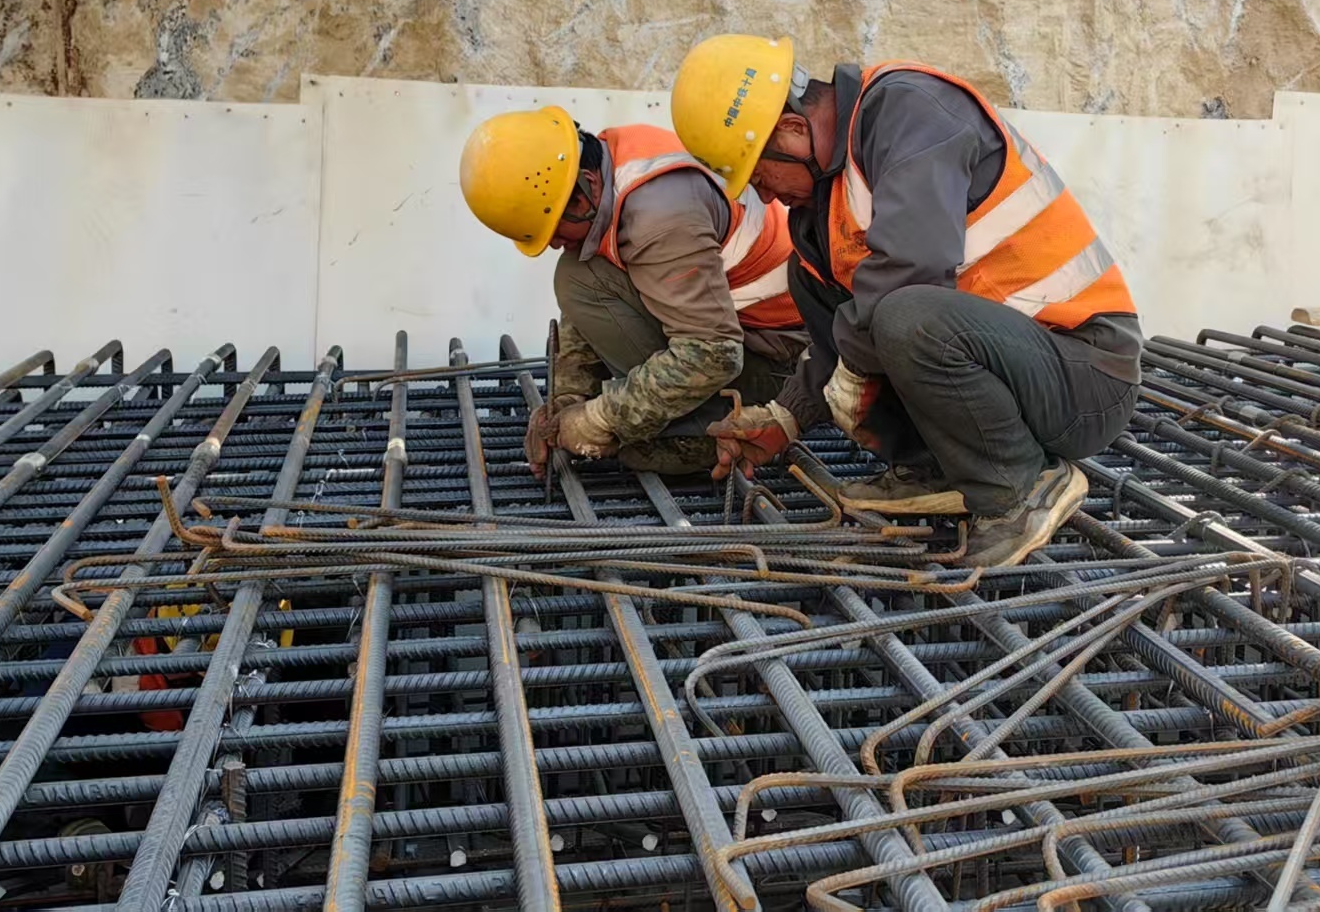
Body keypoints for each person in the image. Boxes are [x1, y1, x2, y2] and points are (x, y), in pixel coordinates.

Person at [668, 35, 1141, 566]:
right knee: (817, 284)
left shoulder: (908, 111)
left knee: (903, 314)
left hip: (1084, 372)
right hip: (1011, 371)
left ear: (793, 130)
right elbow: (838, 333)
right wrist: (786, 416)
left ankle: (1020, 487)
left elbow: (914, 268)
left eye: (758, 174)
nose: (765, 195)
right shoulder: (823, 204)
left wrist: (853, 365)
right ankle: (932, 465)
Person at [459, 106, 807, 476]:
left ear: (586, 191)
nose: (556, 244)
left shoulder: (659, 216)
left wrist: (600, 420)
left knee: (578, 278)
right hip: (738, 331)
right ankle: (676, 418)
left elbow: (713, 353)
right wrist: (567, 397)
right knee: (579, 273)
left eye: (555, 231)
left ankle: (703, 430)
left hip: (775, 364)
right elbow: (592, 293)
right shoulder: (609, 160)